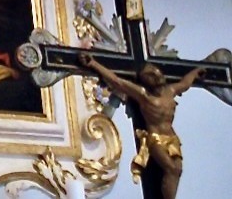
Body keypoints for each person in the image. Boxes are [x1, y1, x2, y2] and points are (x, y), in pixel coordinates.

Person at [79, 55, 206, 199]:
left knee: (177, 170)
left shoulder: (170, 91)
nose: (157, 77)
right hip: (155, 138)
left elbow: (185, 83)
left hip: (172, 137)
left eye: (157, 74)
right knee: (170, 168)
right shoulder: (143, 95)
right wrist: (93, 63)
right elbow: (117, 81)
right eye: (151, 76)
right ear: (146, 80)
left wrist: (195, 72)